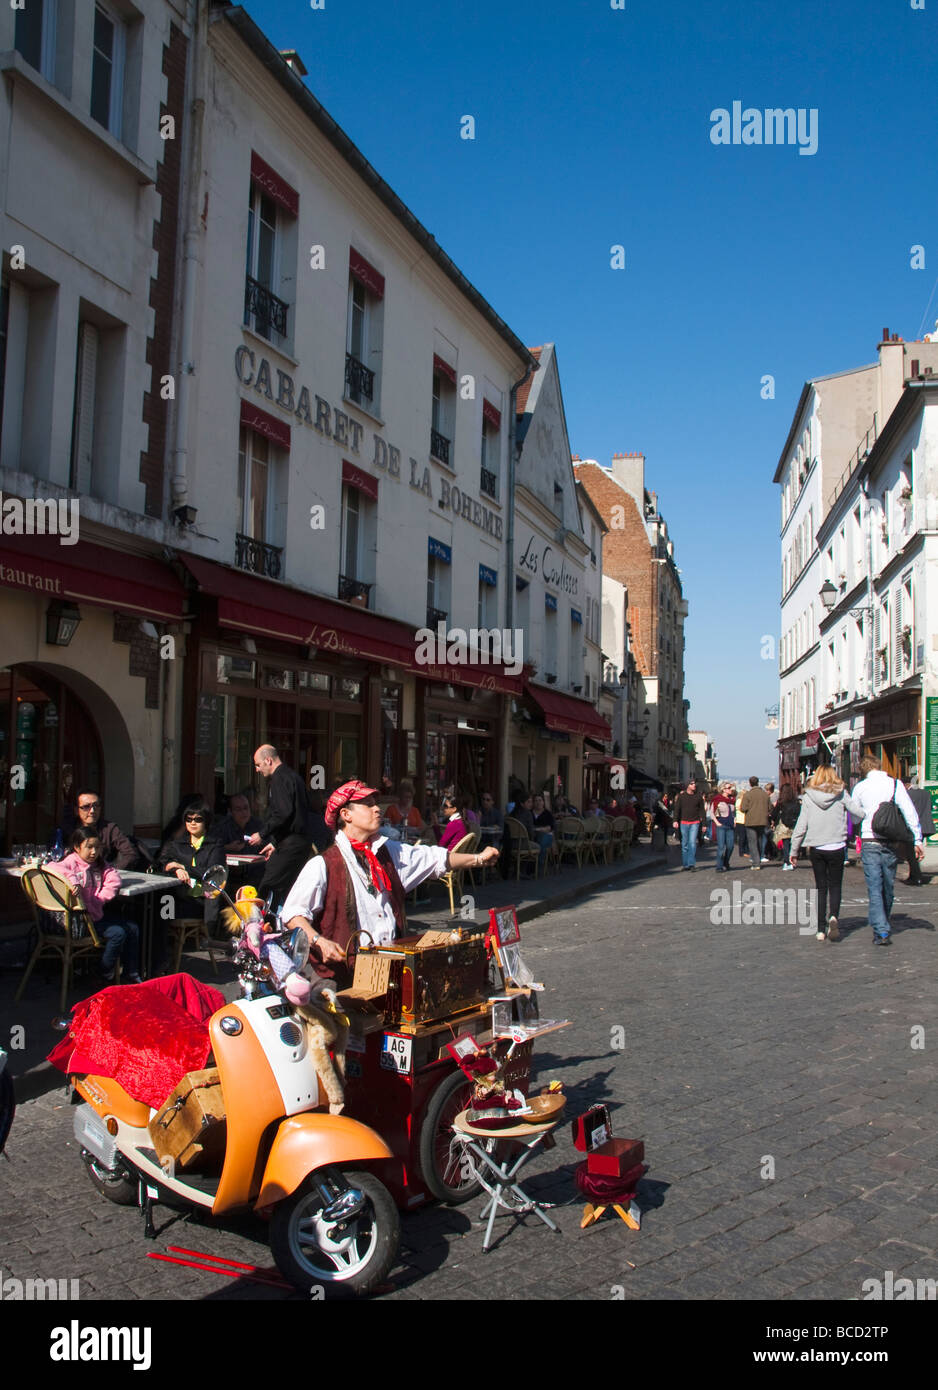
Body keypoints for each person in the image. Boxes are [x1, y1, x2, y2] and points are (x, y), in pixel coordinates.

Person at [282, 780, 499, 989]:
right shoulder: (323, 865)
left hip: (391, 971)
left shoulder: (389, 853)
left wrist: (478, 858)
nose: (377, 809)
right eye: (367, 804)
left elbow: (435, 859)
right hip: (343, 979)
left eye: (376, 803)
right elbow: (293, 915)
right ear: (346, 815)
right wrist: (319, 941)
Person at [849, 755, 923, 946]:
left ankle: (881, 930)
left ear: (864, 769)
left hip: (869, 840)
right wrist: (917, 838)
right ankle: (883, 923)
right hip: (889, 841)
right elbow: (909, 811)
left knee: (874, 886)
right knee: (887, 886)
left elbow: (855, 817)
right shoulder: (895, 785)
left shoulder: (860, 787)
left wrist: (865, 819)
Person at [53, 827, 141, 982]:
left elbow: (114, 878)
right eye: (89, 847)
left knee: (132, 928)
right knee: (117, 933)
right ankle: (103, 970)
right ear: (77, 847)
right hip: (78, 922)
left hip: (95, 914)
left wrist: (99, 899)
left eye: (97, 848)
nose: (94, 852)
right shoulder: (71, 862)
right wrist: (73, 880)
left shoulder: (100, 864)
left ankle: (131, 972)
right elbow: (53, 867)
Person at [788, 767, 863, 941]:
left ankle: (820, 929)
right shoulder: (841, 794)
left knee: (821, 888)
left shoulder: (808, 797)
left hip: (817, 847)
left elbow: (801, 826)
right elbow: (858, 812)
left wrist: (793, 851)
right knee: (835, 885)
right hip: (836, 845)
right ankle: (833, 916)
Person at [248, 745, 317, 905]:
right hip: (298, 843)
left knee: (267, 889)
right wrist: (275, 841)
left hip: (291, 845)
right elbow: (297, 812)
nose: (257, 769)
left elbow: (283, 813)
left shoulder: (278, 779)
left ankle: (261, 928)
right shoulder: (294, 777)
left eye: (258, 765)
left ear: (268, 760)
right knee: (288, 892)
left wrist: (262, 834)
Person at [158, 802, 227, 936]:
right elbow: (164, 863)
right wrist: (176, 870)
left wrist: (184, 867)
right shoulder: (178, 844)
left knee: (166, 908)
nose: (193, 823)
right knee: (161, 902)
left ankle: (203, 938)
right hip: (180, 896)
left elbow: (212, 872)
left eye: (198, 819)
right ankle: (162, 944)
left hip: (200, 901)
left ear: (206, 821)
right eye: (189, 819)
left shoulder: (215, 844)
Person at [62, 791, 138, 871]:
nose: (92, 811)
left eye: (96, 806)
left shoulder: (110, 829)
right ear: (76, 810)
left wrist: (109, 871)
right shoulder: (68, 829)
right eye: (86, 806)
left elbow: (130, 854)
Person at [901, 777, 934, 884]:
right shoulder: (926, 793)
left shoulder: (908, 795)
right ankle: (914, 875)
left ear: (906, 785)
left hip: (913, 827)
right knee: (915, 852)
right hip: (925, 826)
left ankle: (916, 877)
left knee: (911, 853)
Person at [672, 779, 706, 870]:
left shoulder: (698, 797)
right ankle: (685, 864)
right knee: (684, 844)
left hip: (695, 822)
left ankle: (691, 864)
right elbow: (677, 810)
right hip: (684, 822)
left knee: (692, 843)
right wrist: (675, 820)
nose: (694, 785)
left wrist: (704, 824)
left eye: (695, 783)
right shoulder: (681, 797)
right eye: (692, 784)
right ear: (688, 785)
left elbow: (702, 811)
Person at [738, 776, 771, 869]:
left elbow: (743, 808)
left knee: (752, 842)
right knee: (760, 841)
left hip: (751, 821)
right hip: (762, 821)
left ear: (750, 783)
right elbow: (770, 808)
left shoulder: (748, 795)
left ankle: (756, 863)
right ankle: (758, 858)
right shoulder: (765, 795)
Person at [710, 782, 736, 871]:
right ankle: (719, 866)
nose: (730, 789)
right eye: (729, 788)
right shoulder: (717, 799)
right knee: (721, 847)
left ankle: (726, 861)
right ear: (723, 789)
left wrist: (734, 820)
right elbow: (712, 812)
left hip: (730, 826)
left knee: (730, 846)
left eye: (731, 788)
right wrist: (717, 822)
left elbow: (733, 813)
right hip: (721, 825)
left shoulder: (732, 800)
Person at [776, 784, 801, 869]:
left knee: (786, 843)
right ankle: (792, 859)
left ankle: (787, 862)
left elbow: (774, 813)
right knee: (793, 843)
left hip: (784, 825)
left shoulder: (781, 802)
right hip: (794, 824)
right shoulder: (796, 801)